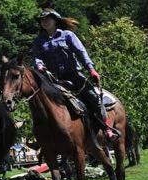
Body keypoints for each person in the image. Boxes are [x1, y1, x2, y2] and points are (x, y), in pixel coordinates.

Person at [30, 9, 118, 141]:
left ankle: (107, 128)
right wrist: (39, 65)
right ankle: (44, 138)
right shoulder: (38, 41)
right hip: (53, 80)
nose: (45, 21)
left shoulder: (68, 35)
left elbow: (81, 53)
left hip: (74, 76)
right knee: (39, 103)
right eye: (42, 20)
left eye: (48, 18)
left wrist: (91, 69)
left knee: (94, 99)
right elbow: (36, 57)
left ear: (55, 20)